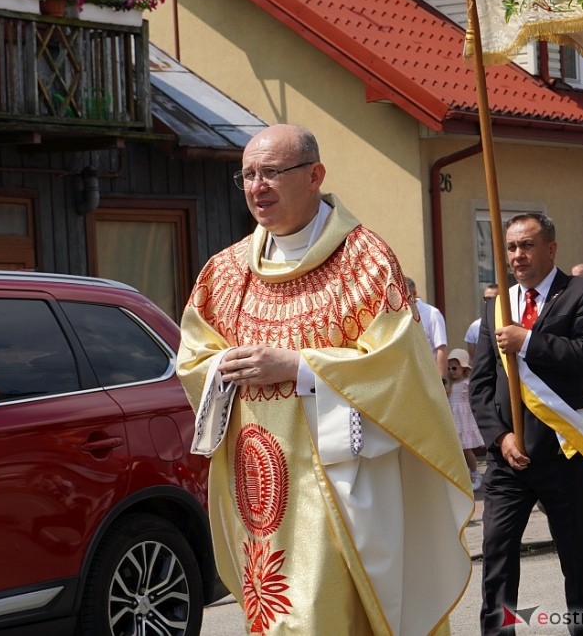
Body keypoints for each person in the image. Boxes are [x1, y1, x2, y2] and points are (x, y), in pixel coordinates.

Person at [177, 124, 471, 635]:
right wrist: (220, 370)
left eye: (271, 172)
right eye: (246, 174)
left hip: (342, 484)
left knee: (322, 614)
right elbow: (193, 356)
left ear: (315, 175)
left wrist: (297, 367)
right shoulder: (223, 272)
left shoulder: (365, 261)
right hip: (258, 486)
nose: (256, 186)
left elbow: (398, 364)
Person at [470, 211, 583, 636]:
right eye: (511, 247)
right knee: (496, 556)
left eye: (527, 245)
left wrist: (527, 340)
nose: (517, 255)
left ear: (550, 248)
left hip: (564, 452)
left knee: (579, 559)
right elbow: (481, 386)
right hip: (509, 459)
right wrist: (500, 436)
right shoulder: (499, 305)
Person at [448, 348, 484, 490]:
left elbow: (475, 399)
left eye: (455, 367)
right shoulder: (449, 385)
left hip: (464, 420)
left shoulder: (468, 383)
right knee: (457, 450)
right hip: (453, 418)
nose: (451, 371)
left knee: (466, 449)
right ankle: (462, 476)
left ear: (463, 368)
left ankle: (475, 473)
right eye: (449, 368)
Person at [407, 276, 449, 384]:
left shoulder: (431, 313)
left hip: (428, 377)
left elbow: (441, 348)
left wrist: (441, 381)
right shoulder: (396, 315)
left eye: (405, 296)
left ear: (414, 294)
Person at [466, 283, 500, 355]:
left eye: (492, 299)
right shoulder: (474, 327)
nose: (488, 302)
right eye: (486, 299)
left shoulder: (510, 322)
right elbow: (473, 359)